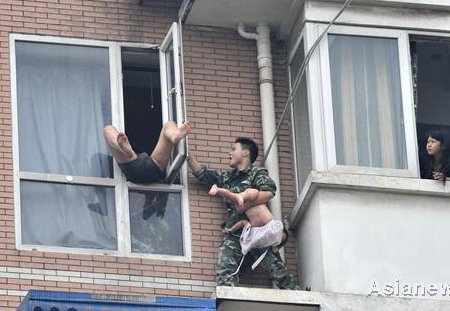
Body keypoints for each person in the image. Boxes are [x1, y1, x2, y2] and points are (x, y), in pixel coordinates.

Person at [188, 137, 299, 289]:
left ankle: (295, 293)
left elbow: (268, 192)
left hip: (256, 231)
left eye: (234, 149)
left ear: (246, 152)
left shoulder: (256, 173)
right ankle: (226, 301)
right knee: (225, 269)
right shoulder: (227, 178)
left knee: (277, 270)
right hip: (235, 235)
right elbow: (201, 174)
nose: (230, 153)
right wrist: (185, 151)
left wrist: (244, 205)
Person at [103, 121, 191, 183]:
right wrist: (198, 171)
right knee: (169, 124)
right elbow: (188, 155)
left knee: (108, 129)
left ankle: (124, 149)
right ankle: (174, 135)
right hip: (154, 167)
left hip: (132, 167)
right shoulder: (183, 148)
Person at [209, 185, 287, 254]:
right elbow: (279, 234)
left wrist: (232, 230)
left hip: (243, 206)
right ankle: (239, 196)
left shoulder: (254, 231)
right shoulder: (273, 226)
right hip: (254, 201)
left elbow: (242, 223)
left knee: (231, 196)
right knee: (253, 193)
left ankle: (219, 190)